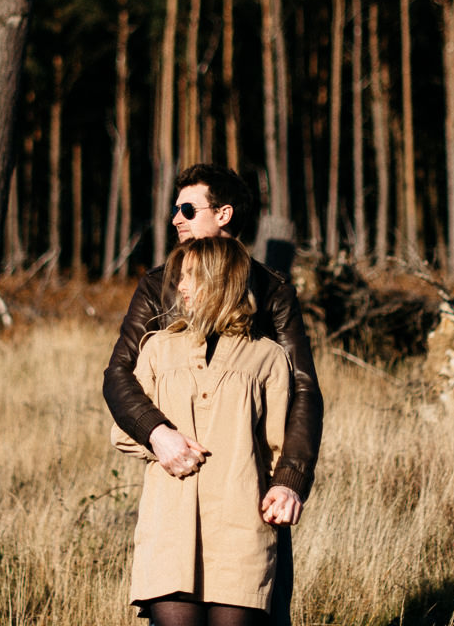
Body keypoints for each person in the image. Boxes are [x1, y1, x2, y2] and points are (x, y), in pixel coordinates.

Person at [103, 164, 322, 625]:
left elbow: (301, 387)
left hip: (245, 490)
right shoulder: (158, 284)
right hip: (176, 494)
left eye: (187, 208)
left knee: (258, 602)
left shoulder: (271, 289)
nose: (176, 219)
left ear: (224, 214)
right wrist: (156, 431)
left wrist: (290, 478)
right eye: (174, 210)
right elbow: (119, 375)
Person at [111, 236, 292, 625]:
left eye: (192, 276)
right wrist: (160, 438)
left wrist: (285, 487)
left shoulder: (269, 357)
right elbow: (122, 431)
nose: (181, 286)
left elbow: (278, 448)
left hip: (240, 531)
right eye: (180, 277)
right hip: (169, 529)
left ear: (222, 280)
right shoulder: (158, 347)